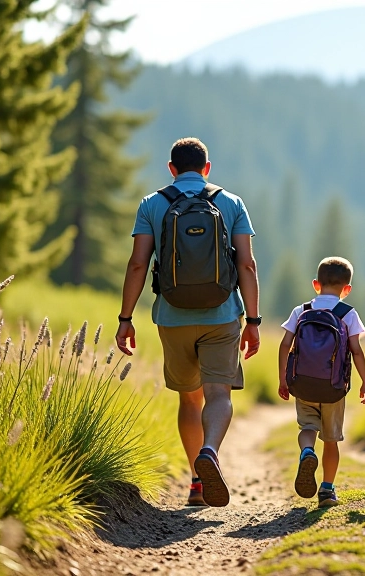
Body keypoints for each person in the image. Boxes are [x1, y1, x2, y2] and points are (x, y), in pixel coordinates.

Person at [116, 137, 261, 508]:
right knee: (218, 393)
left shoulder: (152, 204)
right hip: (223, 314)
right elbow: (246, 264)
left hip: (173, 315)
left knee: (189, 397)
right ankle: (210, 450)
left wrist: (125, 318)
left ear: (172, 169)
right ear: (207, 168)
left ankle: (197, 482)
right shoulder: (230, 203)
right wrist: (254, 320)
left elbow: (138, 264)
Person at [277, 257, 365, 507]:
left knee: (307, 427)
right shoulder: (347, 313)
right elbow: (357, 350)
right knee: (331, 440)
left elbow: (285, 345)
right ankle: (327, 490)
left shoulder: (302, 310)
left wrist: (283, 379)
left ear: (316, 284)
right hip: (334, 388)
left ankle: (307, 451)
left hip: (303, 383)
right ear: (347, 289)